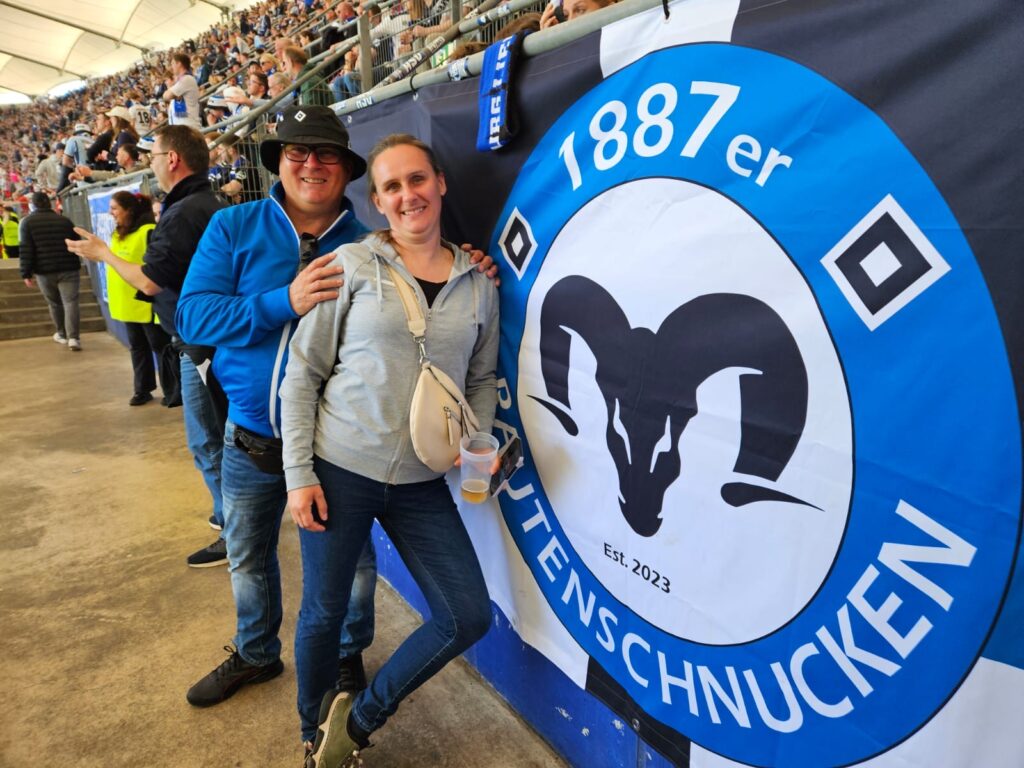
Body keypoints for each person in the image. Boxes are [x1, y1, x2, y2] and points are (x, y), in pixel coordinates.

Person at [176, 106, 498, 716]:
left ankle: (346, 661)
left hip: (337, 452)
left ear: (349, 172)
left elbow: (431, 275)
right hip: (255, 437)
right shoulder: (235, 224)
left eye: (326, 154)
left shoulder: (366, 245)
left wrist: (472, 266)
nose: (311, 164)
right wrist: (282, 301)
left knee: (352, 579)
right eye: (297, 152)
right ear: (278, 162)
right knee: (247, 556)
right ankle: (255, 651)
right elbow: (192, 317)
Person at [279, 133, 499, 767]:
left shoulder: (479, 284)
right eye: (392, 187)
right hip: (338, 470)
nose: (409, 196)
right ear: (377, 201)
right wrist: (299, 473)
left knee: (467, 615)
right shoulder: (350, 265)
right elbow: (303, 373)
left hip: (422, 483)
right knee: (323, 613)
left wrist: (475, 442)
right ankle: (312, 735)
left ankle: (357, 722)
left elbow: (481, 378)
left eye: (418, 180)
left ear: (440, 184)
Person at [66, 125, 227, 567]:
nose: (149, 163)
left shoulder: (185, 211)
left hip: (199, 342)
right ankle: (230, 516)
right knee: (213, 438)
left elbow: (151, 281)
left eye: (152, 155)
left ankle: (234, 529)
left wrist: (103, 254)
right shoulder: (200, 204)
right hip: (203, 339)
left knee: (207, 442)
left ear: (173, 159)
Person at [105, 191, 175, 407]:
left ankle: (172, 391)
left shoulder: (149, 232)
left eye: (115, 208)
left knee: (160, 347)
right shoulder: (118, 234)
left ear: (129, 211)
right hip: (127, 304)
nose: (111, 213)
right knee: (137, 347)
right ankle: (142, 389)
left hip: (147, 302)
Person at [19, 193, 81, 350]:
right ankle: (74, 338)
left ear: (33, 205)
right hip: (69, 268)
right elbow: (75, 242)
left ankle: (62, 334)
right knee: (70, 302)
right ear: (49, 203)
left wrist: (26, 273)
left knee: (54, 303)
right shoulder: (64, 221)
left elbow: (26, 249)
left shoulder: (27, 223)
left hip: (44, 271)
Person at [162, 52, 202, 128]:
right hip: (182, 127)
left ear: (179, 64)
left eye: (173, 63)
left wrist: (170, 90)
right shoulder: (180, 81)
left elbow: (166, 96)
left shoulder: (186, 79)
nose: (171, 67)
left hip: (189, 127)